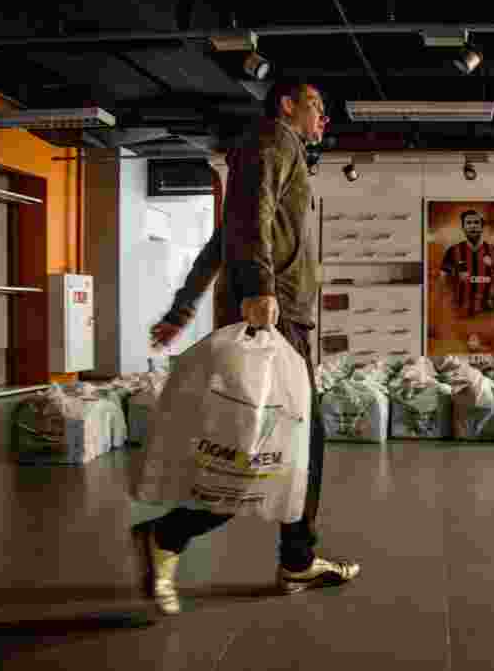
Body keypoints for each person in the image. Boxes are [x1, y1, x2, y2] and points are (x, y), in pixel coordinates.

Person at [133, 79, 360, 616]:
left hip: (285, 316)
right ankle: (167, 536)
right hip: (276, 317)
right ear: (286, 105)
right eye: (316, 106)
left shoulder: (279, 151)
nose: (322, 118)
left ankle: (297, 557)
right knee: (259, 449)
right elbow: (248, 222)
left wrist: (183, 307)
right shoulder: (273, 141)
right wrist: (259, 290)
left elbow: (225, 237)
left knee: (299, 444)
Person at [437, 209, 494, 354]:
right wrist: (441, 306)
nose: (472, 226)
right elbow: (443, 281)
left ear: (481, 226)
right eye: (469, 223)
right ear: (464, 226)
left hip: (491, 315)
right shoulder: (453, 251)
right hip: (464, 317)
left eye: (476, 223)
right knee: (471, 353)